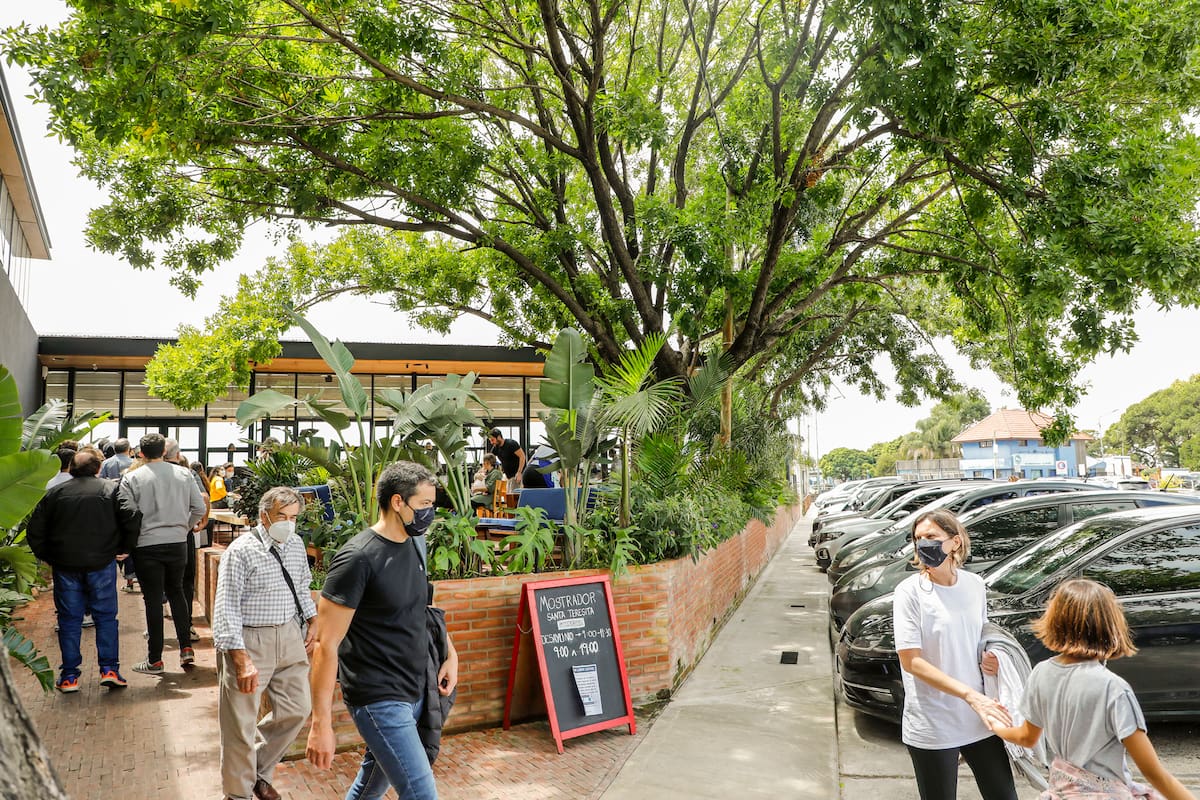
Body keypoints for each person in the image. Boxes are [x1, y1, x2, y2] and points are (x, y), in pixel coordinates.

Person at [306, 461, 458, 800]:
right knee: (421, 794)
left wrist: (451, 654)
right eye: (424, 504)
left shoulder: (416, 543)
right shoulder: (357, 558)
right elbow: (325, 645)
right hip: (379, 697)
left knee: (370, 787)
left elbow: (421, 609)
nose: (430, 513)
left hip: (416, 686)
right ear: (397, 502)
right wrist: (320, 724)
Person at [992, 579, 1196, 800]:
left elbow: (1026, 737)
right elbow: (1153, 773)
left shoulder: (1041, 673)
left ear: (1054, 621)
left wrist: (996, 725)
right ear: (1110, 625)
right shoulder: (1113, 689)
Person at [893, 509, 1019, 800]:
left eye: (931, 536)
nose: (923, 544)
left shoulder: (974, 585)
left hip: (980, 717)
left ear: (955, 542)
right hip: (934, 721)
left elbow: (979, 636)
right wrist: (969, 695)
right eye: (918, 538)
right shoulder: (910, 592)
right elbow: (911, 661)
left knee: (1004, 795)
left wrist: (991, 656)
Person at [213, 486, 317, 800]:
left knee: (297, 708)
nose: (289, 523)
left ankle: (256, 770)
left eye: (293, 517)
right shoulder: (241, 550)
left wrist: (312, 618)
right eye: (282, 516)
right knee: (240, 723)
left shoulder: (295, 544)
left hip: (289, 634)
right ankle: (238, 794)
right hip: (249, 640)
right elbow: (226, 606)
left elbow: (301, 585)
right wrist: (240, 657)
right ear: (264, 515)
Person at [26, 447, 140, 692]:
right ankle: (109, 669)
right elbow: (132, 514)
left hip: (65, 566)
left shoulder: (55, 493)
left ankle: (69, 676)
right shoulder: (111, 489)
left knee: (69, 620)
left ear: (71, 469)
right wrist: (124, 547)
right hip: (102, 563)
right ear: (98, 468)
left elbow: (35, 529)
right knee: (106, 618)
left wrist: (48, 556)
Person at [118, 433, 206, 674]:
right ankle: (186, 648)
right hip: (177, 542)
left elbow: (127, 515)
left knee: (153, 599)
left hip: (146, 545)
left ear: (141, 453)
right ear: (165, 452)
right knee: (177, 592)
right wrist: (184, 527)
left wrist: (127, 544)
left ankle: (155, 659)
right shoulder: (184, 474)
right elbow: (199, 507)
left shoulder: (131, 478)